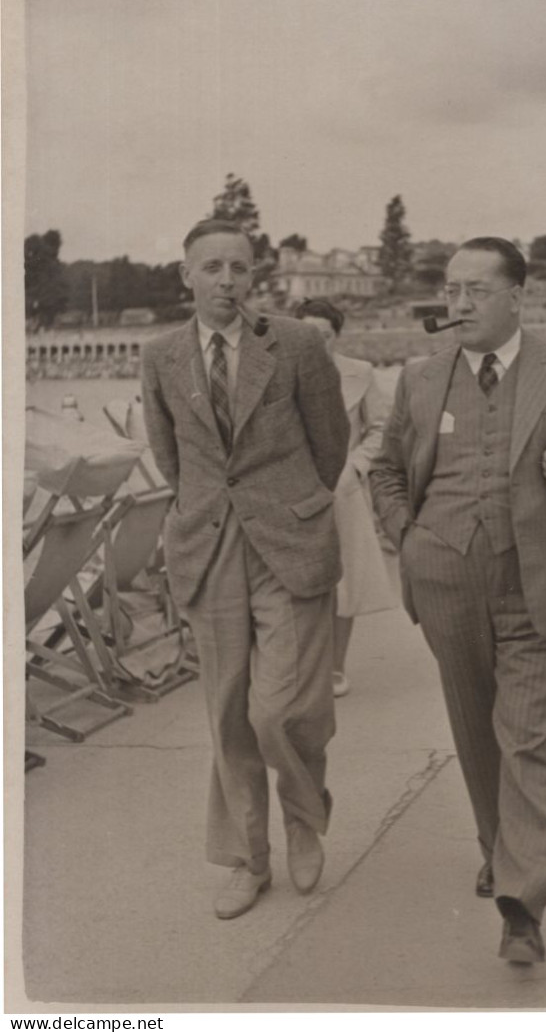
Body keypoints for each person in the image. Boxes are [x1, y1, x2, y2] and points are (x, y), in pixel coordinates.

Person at [369, 237, 546, 965]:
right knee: (476, 731)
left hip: (540, 585)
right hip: (446, 580)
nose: (455, 304)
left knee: (530, 738)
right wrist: (411, 537)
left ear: (516, 295)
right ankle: (497, 848)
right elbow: (386, 473)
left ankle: (521, 903)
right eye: (450, 291)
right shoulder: (420, 379)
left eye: (474, 291)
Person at [141, 219, 349, 920]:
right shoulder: (161, 355)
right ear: (186, 275)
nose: (226, 280)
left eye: (238, 266)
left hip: (287, 541)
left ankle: (302, 816)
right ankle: (248, 858)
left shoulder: (294, 343)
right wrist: (203, 512)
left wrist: (290, 507)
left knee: (280, 708)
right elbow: (170, 458)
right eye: (211, 267)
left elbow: (330, 445)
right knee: (228, 711)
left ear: (254, 274)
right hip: (207, 545)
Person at [294, 298, 399, 697]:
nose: (317, 344)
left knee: (344, 580)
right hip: (292, 491)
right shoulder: (277, 372)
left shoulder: (360, 373)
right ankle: (303, 668)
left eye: (324, 336)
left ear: (336, 336)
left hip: (342, 490)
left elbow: (382, 429)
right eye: (308, 336)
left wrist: (355, 465)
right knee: (296, 580)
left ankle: (335, 667)